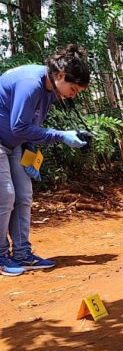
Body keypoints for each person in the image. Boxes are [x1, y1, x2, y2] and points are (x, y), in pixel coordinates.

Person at [0, 43, 91, 275]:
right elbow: (19, 126)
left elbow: (32, 126)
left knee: (24, 195)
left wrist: (31, 156)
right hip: (4, 139)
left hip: (14, 143)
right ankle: (0, 256)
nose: (73, 94)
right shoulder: (30, 84)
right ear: (61, 75)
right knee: (6, 196)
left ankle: (22, 254)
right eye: (73, 89)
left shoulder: (50, 92)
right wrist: (61, 135)